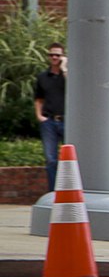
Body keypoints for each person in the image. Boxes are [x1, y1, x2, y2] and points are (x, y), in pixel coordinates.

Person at [33, 41, 66, 192]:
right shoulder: (42, 77)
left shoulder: (68, 75)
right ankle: (53, 193)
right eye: (52, 54)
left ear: (63, 57)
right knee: (51, 159)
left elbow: (75, 88)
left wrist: (64, 69)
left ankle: (70, 190)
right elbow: (39, 99)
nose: (54, 57)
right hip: (49, 122)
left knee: (70, 160)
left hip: (68, 121)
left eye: (57, 55)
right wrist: (39, 116)